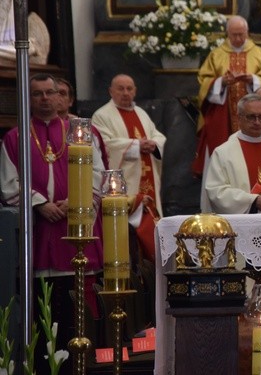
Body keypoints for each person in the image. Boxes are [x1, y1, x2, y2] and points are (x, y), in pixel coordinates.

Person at [0, 73, 105, 375]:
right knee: (45, 316)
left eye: (51, 92)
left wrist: (76, 200)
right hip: (39, 233)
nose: (46, 99)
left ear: (62, 96)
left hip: (75, 228)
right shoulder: (15, 137)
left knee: (76, 313)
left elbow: (97, 172)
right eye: (37, 94)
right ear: (28, 98)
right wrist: (39, 204)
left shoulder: (80, 133)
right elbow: (9, 183)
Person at [192, 15, 261, 176]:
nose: (238, 38)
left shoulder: (260, 54)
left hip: (256, 119)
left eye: (241, 34)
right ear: (228, 34)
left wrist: (253, 80)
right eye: (234, 34)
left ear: (247, 32)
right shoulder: (216, 55)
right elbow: (204, 81)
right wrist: (221, 82)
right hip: (223, 119)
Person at [204, 95, 261, 213]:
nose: (257, 122)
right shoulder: (223, 153)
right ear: (239, 118)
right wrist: (254, 201)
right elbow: (216, 191)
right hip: (242, 226)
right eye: (251, 117)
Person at [91, 74, 165, 215]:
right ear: (110, 91)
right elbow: (104, 145)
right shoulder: (101, 115)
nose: (125, 93)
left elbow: (157, 135)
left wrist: (154, 145)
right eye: (120, 89)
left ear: (135, 91)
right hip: (124, 182)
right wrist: (136, 146)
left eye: (129, 89)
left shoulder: (141, 113)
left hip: (148, 176)